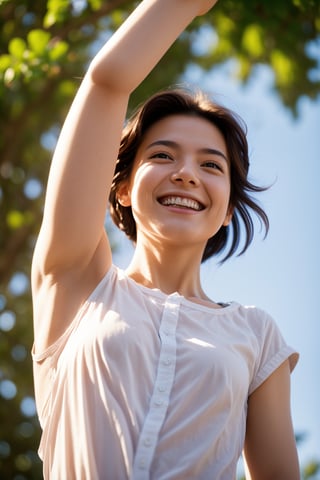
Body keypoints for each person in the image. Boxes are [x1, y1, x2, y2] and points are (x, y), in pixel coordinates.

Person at [31, 0, 300, 478]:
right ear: (123, 189)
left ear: (226, 211)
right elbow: (105, 83)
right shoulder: (76, 282)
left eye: (211, 165)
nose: (186, 174)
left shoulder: (258, 338)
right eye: (163, 155)